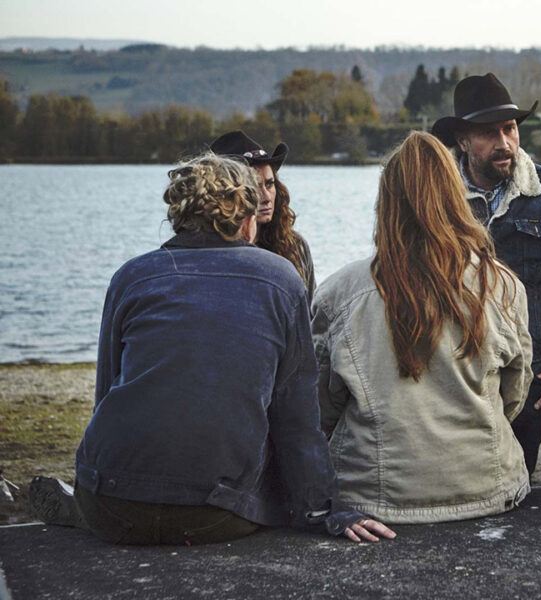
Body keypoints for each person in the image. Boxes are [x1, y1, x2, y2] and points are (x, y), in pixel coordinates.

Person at [29, 153, 394, 545]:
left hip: (108, 500)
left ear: (178, 216)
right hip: (215, 515)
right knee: (268, 485)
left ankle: (77, 510)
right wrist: (326, 510)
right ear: (248, 221)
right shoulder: (281, 279)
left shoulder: (130, 277)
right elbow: (298, 421)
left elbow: (107, 394)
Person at [312, 131, 532, 523]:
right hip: (486, 485)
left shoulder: (338, 294)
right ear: (455, 197)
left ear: (387, 202)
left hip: (373, 497)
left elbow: (320, 408)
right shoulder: (501, 286)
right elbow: (514, 394)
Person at [431, 73, 541, 475]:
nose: (504, 142)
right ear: (463, 140)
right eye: (489, 133)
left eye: (510, 129)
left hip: (535, 377)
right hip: (457, 372)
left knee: (526, 490)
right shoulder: (437, 196)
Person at [210, 130, 316, 294]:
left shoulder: (295, 246)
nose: (266, 197)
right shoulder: (204, 253)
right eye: (254, 187)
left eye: (269, 184)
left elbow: (309, 315)